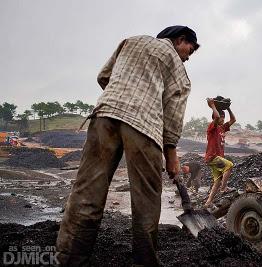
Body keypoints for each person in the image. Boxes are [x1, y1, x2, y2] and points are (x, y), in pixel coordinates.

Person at [56, 25, 200, 267]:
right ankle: (144, 262)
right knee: (146, 201)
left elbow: (104, 76)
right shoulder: (177, 67)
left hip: (105, 117)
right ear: (180, 40)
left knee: (86, 193)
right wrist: (171, 154)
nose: (188, 56)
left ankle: (69, 259)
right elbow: (173, 115)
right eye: (190, 50)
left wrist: (123, 97)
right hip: (144, 127)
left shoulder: (131, 41)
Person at [204, 98, 236, 208]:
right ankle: (224, 188)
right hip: (212, 157)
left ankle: (208, 202)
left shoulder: (222, 128)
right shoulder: (212, 127)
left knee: (217, 181)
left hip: (217, 157)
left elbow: (233, 120)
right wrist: (213, 105)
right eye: (222, 118)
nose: (223, 119)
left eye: (223, 118)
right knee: (229, 165)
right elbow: (216, 117)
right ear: (216, 119)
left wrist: (228, 108)